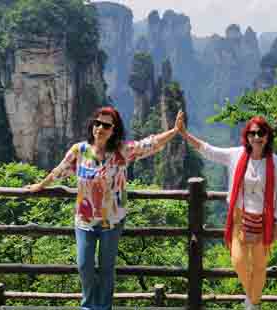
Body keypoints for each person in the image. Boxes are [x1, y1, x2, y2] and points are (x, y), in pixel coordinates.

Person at [26, 106, 181, 310]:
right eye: (97, 123)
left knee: (107, 269)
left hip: (113, 220)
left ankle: (104, 307)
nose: (100, 128)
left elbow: (149, 144)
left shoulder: (121, 152)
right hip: (84, 220)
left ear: (113, 130)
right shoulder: (79, 150)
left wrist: (174, 131)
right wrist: (40, 185)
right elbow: (59, 170)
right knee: (84, 266)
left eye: (106, 125)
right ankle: (89, 306)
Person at [176, 113, 277, 310]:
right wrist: (184, 134)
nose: (257, 137)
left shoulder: (276, 162)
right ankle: (253, 300)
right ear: (247, 136)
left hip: (264, 221)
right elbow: (208, 150)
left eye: (261, 133)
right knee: (238, 262)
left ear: (267, 136)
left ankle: (253, 304)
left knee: (260, 267)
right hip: (239, 218)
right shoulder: (236, 155)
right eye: (252, 133)